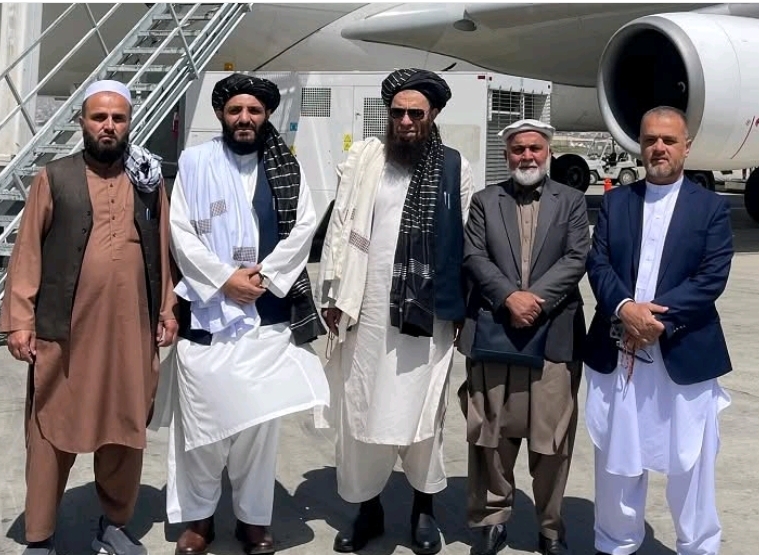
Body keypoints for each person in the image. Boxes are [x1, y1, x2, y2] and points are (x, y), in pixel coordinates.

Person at [0, 79, 178, 555]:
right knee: (50, 430)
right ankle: (40, 536)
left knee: (124, 430)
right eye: (99, 117)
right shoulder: (54, 177)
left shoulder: (148, 180)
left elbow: (163, 246)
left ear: (130, 124)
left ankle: (115, 525)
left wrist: (167, 308)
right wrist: (20, 320)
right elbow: (27, 252)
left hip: (131, 332)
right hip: (66, 332)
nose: (108, 126)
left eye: (118, 118)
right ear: (82, 121)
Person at [156, 73, 330, 555]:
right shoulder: (195, 163)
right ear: (221, 115)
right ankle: (199, 520)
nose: (245, 118)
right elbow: (180, 231)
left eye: (254, 110)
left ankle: (253, 520)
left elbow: (304, 228)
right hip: (207, 317)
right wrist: (223, 279)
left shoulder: (286, 167)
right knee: (200, 430)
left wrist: (264, 277)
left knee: (258, 427)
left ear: (266, 114)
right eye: (236, 110)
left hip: (265, 315)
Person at [317, 68, 475, 555]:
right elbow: (341, 228)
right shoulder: (368, 160)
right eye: (398, 112)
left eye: (416, 113)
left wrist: (461, 309)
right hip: (365, 309)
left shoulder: (455, 167)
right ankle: (368, 509)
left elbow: (465, 243)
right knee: (362, 409)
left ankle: (423, 509)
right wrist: (333, 294)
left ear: (434, 114)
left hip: (428, 316)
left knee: (424, 412)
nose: (406, 121)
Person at [584, 106, 734, 555]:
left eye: (669, 140)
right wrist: (625, 308)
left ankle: (698, 547)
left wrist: (656, 321)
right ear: (640, 145)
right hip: (619, 348)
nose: (659, 148)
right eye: (650, 140)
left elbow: (711, 277)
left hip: (683, 349)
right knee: (617, 458)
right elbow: (599, 263)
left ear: (687, 147)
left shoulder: (710, 207)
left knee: (691, 461)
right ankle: (615, 543)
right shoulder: (616, 202)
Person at [457, 119, 590, 555]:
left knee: (552, 436)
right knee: (491, 432)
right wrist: (509, 297)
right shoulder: (485, 201)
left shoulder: (571, 200)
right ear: (507, 155)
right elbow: (474, 255)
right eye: (518, 149)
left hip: (554, 334)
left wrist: (534, 300)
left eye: (534, 148)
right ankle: (492, 519)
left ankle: (550, 527)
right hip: (497, 328)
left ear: (547, 152)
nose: (527, 156)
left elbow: (576, 257)